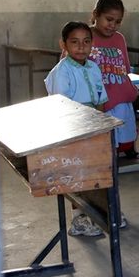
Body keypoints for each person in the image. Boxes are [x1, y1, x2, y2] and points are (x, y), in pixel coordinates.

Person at [44, 21, 108, 237]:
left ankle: (101, 214)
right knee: (75, 173)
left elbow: (100, 99)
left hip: (94, 126)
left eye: (86, 42)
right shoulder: (61, 72)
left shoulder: (93, 67)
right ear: (63, 44)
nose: (81, 47)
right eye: (75, 42)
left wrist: (101, 126)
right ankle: (78, 219)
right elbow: (61, 107)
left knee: (94, 172)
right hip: (72, 129)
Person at [89, 0, 139, 159]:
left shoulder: (119, 38)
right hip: (95, 96)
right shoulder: (85, 36)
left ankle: (125, 147)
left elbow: (123, 68)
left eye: (118, 22)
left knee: (122, 125)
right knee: (101, 139)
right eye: (109, 19)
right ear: (96, 14)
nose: (112, 25)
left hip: (117, 89)